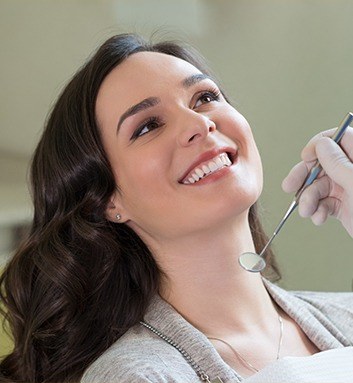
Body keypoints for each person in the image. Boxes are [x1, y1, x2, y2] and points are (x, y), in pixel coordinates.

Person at [0, 33, 352, 383]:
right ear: (109, 201)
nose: (200, 123)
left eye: (204, 98)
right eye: (148, 126)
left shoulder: (345, 315)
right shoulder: (136, 376)